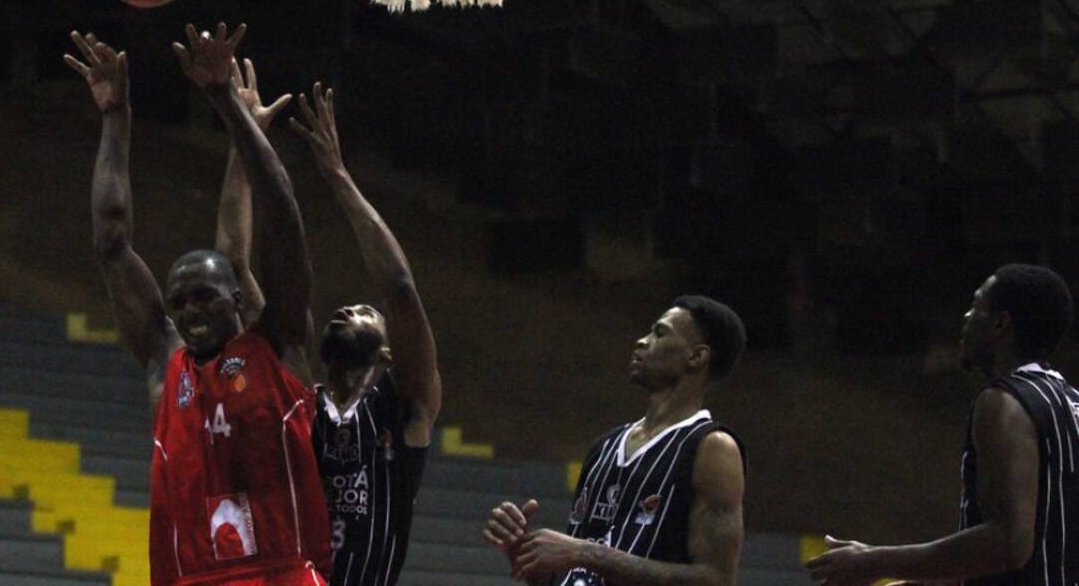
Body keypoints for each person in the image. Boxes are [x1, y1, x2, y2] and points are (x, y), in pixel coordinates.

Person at [64, 23, 332, 585]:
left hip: (280, 574)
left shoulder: (277, 342)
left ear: (237, 297)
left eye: (204, 296)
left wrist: (223, 101)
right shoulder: (167, 361)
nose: (189, 310)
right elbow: (111, 243)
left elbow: (282, 213)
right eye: (179, 301)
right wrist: (116, 117)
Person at [216, 80, 441, 585]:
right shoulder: (297, 393)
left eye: (364, 311)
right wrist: (242, 138)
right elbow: (234, 264)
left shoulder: (406, 407)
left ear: (388, 352)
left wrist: (337, 175)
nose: (347, 310)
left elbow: (401, 289)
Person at [807, 264, 1077, 586]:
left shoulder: (1003, 401)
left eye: (976, 307)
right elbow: (1046, 543)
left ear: (1000, 324)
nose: (965, 318)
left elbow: (1008, 544)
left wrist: (872, 561)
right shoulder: (1070, 402)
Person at [484, 297, 747, 586]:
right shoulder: (605, 446)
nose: (641, 341)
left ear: (697, 357)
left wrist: (584, 552)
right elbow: (578, 575)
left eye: (659, 333)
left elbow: (717, 580)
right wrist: (526, 555)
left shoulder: (713, 448)